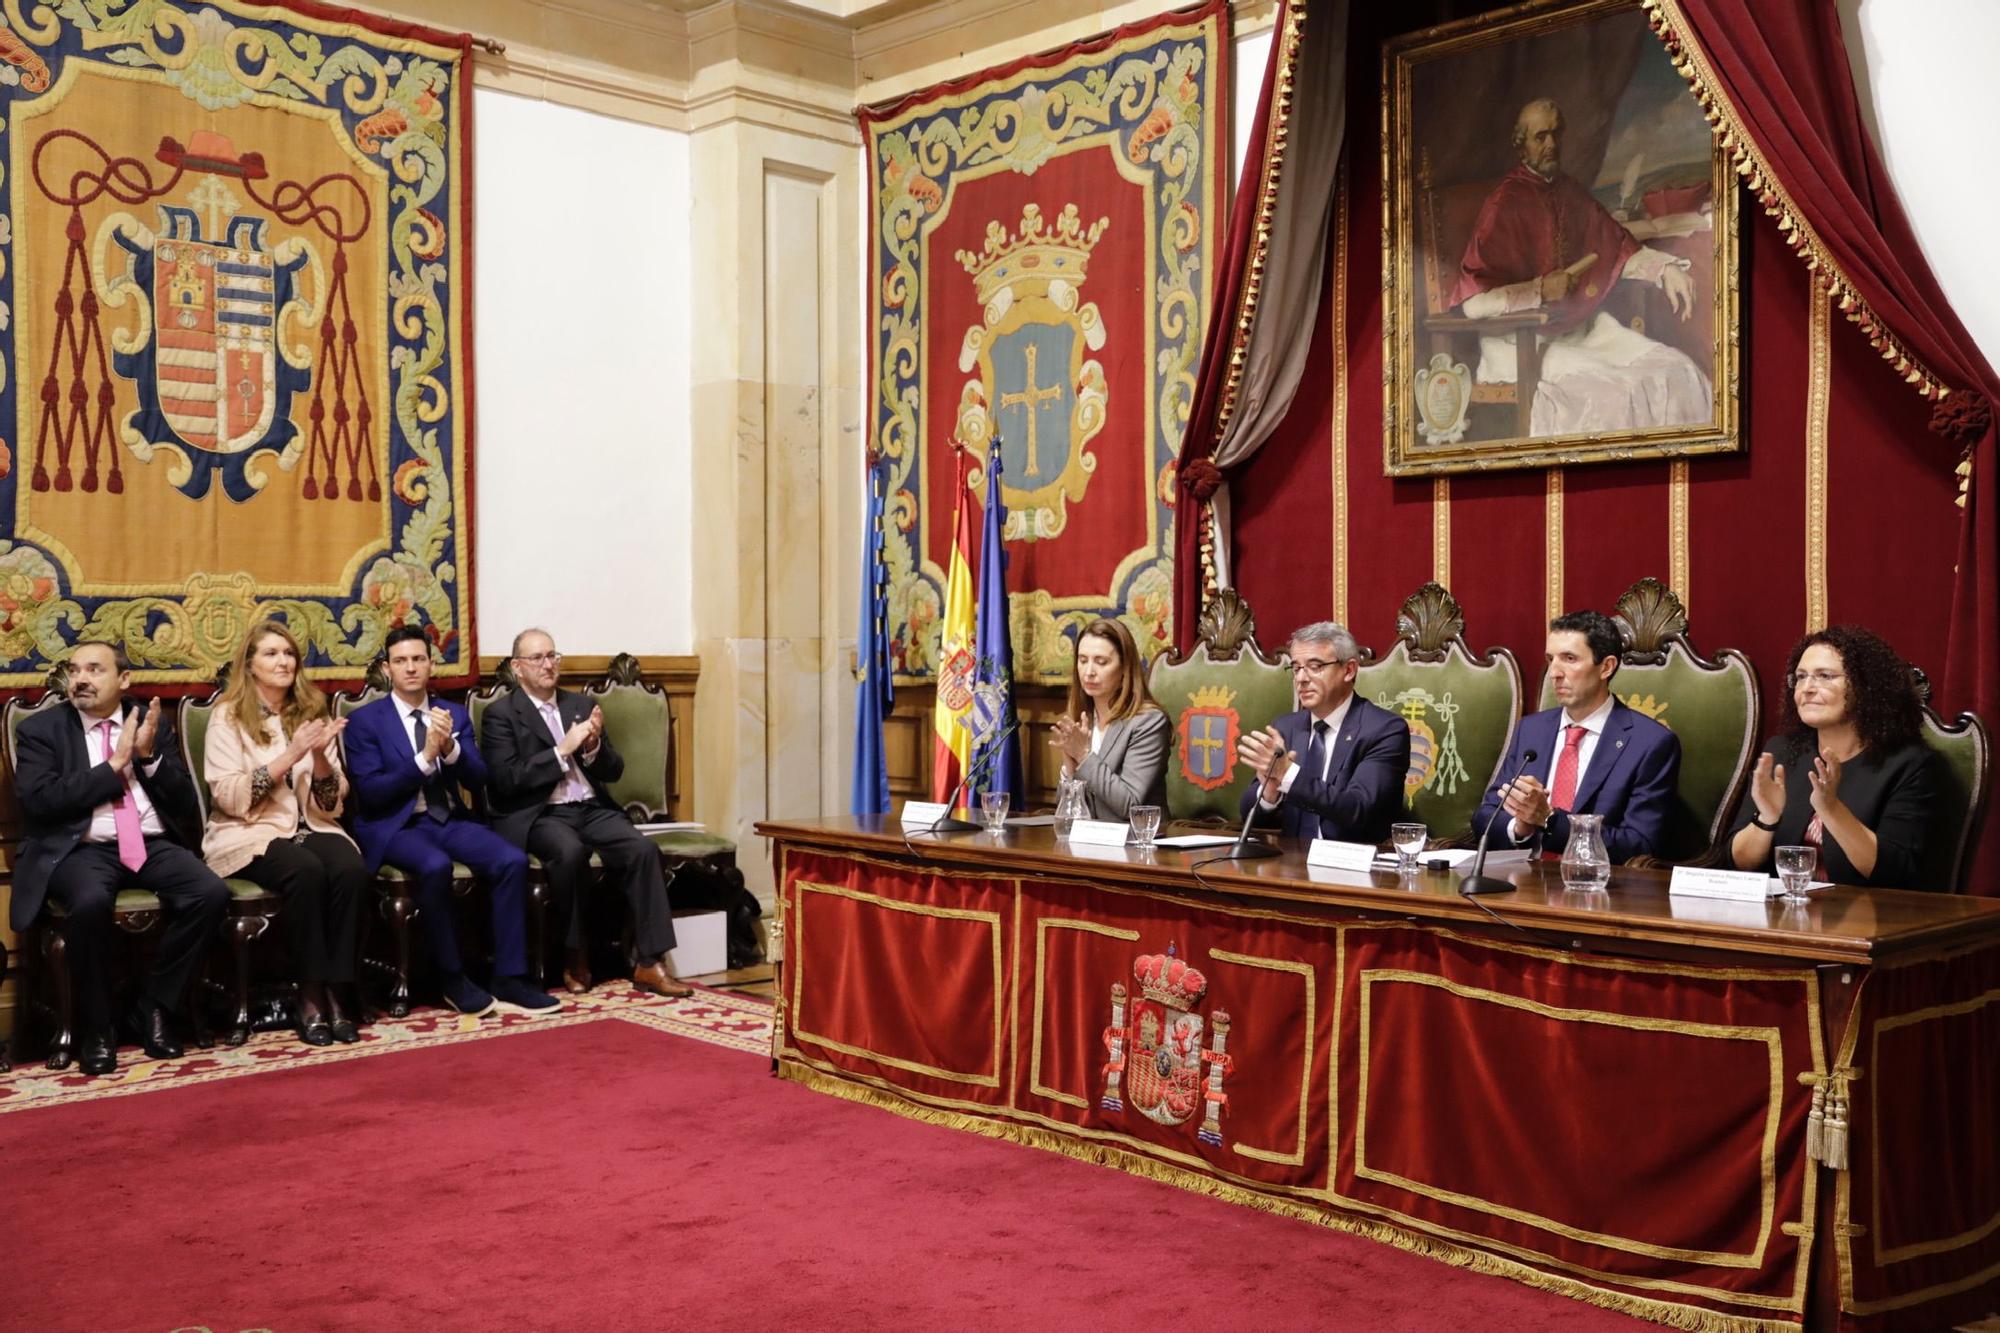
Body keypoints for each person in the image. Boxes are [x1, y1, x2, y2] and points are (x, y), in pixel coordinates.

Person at [11, 642, 230, 1075]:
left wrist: (147, 758)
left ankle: (154, 1007)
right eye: (75, 671)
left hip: (149, 843)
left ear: (123, 679)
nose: (81, 679)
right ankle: (98, 1026)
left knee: (209, 892)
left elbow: (184, 803)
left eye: (95, 669)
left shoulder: (148, 721)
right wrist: (112, 767)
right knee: (89, 903)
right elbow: (39, 801)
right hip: (80, 848)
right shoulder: (43, 730)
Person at [1449, 97, 1712, 436]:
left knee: (1679, 371)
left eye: (1556, 134)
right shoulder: (1505, 202)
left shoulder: (1569, 190)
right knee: (1615, 393)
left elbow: (1617, 247)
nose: (1551, 145)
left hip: (1581, 331)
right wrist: (1540, 290)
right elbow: (1473, 304)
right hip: (1520, 343)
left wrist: (1666, 270)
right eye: (1540, 136)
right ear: (1521, 145)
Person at [343, 625, 558, 1018]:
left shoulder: (453, 714)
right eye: (401, 661)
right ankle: (452, 977)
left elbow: (479, 780)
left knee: (511, 861)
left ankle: (509, 976)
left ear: (430, 664)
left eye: (418, 659)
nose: (411, 668)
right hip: (395, 825)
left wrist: (452, 748)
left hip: (449, 820)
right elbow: (372, 794)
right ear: (387, 669)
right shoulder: (365, 722)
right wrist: (424, 759)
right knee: (435, 866)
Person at [481, 628, 692, 998]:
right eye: (538, 658)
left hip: (592, 808)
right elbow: (506, 781)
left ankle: (649, 961)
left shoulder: (578, 705)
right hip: (541, 813)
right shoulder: (501, 714)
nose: (549, 665)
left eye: (553, 656)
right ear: (518, 668)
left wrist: (593, 747)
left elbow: (614, 771)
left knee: (642, 851)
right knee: (569, 853)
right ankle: (576, 953)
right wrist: (562, 751)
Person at [201, 620, 370, 1046]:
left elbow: (332, 803)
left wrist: (319, 757)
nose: (284, 661)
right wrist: (292, 753)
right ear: (250, 665)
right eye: (272, 654)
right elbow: (231, 797)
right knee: (306, 870)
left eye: (289, 653)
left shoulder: (312, 711)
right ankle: (310, 993)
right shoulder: (227, 716)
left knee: (349, 866)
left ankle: (338, 988)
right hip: (250, 832)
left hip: (309, 824)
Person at [1728, 626, 1942, 888]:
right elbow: (1738, 863)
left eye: (1825, 676)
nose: (1807, 688)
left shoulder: (1909, 764)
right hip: (1781, 917)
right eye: (1801, 677)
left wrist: (1831, 809)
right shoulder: (1782, 751)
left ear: (1865, 687)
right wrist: (1767, 819)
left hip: (1867, 917)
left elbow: (1894, 872)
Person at [1475, 610, 1680, 863]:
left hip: (1597, 890)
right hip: (1521, 882)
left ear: (1606, 667)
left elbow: (1640, 844)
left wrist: (1549, 819)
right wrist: (1520, 827)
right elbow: (1485, 816)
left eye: (1569, 658)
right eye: (1551, 659)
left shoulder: (1650, 743)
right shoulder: (1531, 729)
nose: (1554, 673)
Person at [1236, 621, 1411, 844]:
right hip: (1289, 865)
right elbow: (1250, 817)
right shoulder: (1287, 727)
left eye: (1315, 666)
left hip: (1354, 869)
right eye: (1296, 668)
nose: (1301, 679)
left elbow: (1357, 809)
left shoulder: (1384, 730)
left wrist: (1288, 776)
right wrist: (1270, 792)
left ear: (1349, 670)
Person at [1048, 618, 1169, 821]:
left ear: (1124, 669)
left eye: (1101, 662)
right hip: (1086, 844)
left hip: (1137, 845)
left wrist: (1083, 756)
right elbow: (1066, 813)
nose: (1089, 672)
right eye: (1083, 660)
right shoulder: (1080, 719)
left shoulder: (1149, 722)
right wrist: (1070, 769)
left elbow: (1130, 804)